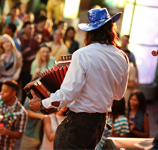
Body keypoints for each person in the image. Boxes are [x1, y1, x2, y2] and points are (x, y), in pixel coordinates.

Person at [29, 8, 129, 149]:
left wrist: (42, 104)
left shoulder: (82, 54)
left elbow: (68, 93)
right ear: (111, 29)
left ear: (90, 32)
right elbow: (119, 95)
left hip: (78, 123)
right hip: (100, 123)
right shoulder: (122, 57)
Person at [17, 21, 39, 105]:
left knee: (25, 89)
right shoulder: (19, 39)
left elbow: (38, 53)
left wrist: (33, 57)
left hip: (28, 68)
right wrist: (23, 53)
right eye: (29, 28)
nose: (31, 30)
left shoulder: (35, 41)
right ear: (24, 29)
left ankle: (22, 105)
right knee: (16, 87)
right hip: (18, 67)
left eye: (32, 28)